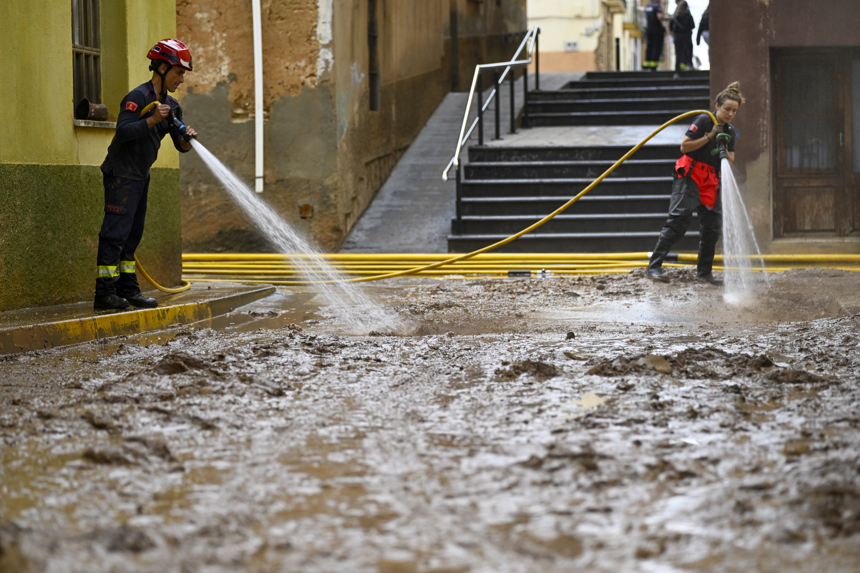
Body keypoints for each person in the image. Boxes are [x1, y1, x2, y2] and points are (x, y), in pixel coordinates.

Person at [94, 39, 198, 310]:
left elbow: (181, 145)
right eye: (178, 73)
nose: (181, 80)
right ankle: (104, 293)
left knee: (132, 236)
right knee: (114, 234)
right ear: (162, 68)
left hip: (140, 175)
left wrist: (188, 138)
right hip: (121, 174)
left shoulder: (172, 105)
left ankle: (128, 290)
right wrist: (151, 119)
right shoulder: (137, 98)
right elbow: (123, 131)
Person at [644, 82, 746, 286]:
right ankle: (653, 267)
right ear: (717, 106)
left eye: (734, 111)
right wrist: (709, 137)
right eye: (727, 109)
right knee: (678, 221)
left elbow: (732, 158)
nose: (730, 114)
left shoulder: (731, 129)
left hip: (711, 180)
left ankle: (704, 273)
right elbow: (685, 146)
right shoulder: (703, 120)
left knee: (712, 226)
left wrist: (724, 149)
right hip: (690, 176)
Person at [670, 0, 695, 72]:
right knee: (688, 51)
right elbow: (693, 25)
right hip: (687, 35)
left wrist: (673, 32)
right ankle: (689, 65)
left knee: (678, 53)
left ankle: (677, 70)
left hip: (678, 36)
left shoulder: (675, 16)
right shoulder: (688, 14)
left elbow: (671, 26)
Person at [642, 1, 667, 71]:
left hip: (649, 29)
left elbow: (641, 9)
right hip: (657, 30)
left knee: (649, 47)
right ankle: (653, 66)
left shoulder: (648, 6)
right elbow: (660, 16)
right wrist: (667, 17)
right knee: (656, 47)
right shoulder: (657, 6)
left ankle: (646, 65)